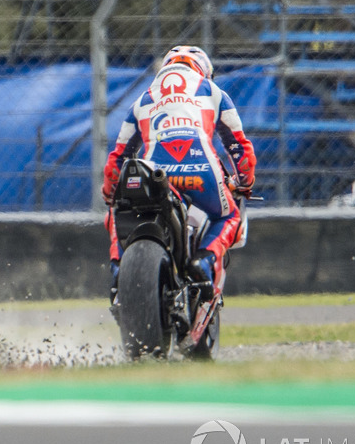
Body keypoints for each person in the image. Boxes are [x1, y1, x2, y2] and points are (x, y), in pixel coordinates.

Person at [102, 45, 256, 302]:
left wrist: (110, 195)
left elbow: (118, 158)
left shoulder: (143, 99)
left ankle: (118, 268)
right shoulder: (214, 92)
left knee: (118, 212)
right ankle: (205, 260)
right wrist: (244, 183)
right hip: (201, 171)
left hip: (155, 175)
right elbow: (240, 147)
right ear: (204, 71)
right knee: (229, 216)